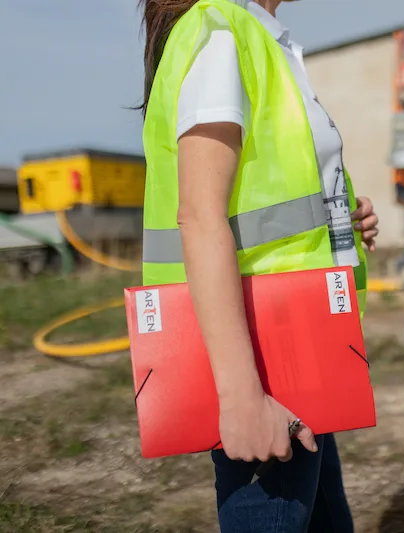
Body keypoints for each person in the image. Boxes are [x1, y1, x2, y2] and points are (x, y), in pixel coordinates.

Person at [137, 0, 380, 531]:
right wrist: (242, 398)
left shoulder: (260, 37)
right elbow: (200, 217)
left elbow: (266, 201)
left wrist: (339, 217)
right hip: (265, 353)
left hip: (302, 336)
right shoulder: (220, 32)